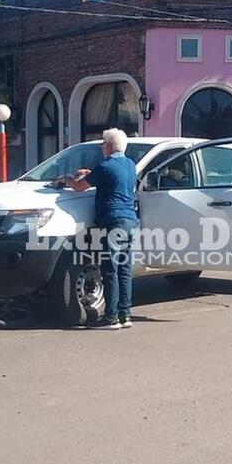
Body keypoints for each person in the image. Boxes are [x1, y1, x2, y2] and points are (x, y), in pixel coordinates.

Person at [67, 128, 138, 330]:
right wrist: (90, 173)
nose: (101, 147)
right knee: (124, 269)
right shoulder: (130, 164)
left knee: (110, 269)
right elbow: (113, 178)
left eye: (103, 143)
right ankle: (125, 315)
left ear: (108, 146)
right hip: (130, 220)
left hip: (113, 219)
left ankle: (110, 318)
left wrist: (69, 180)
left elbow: (79, 187)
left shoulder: (105, 166)